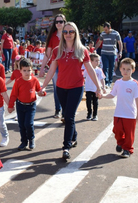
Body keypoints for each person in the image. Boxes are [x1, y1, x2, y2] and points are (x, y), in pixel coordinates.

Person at [41, 22, 102, 160]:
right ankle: (74, 136)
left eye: (71, 32)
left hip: (76, 87)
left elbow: (90, 70)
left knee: (69, 117)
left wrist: (99, 87)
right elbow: (51, 70)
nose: (68, 34)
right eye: (65, 32)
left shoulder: (82, 50)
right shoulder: (57, 50)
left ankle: (66, 147)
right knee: (67, 116)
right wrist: (43, 86)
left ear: (76, 33)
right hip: (61, 88)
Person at [102, 58, 138, 158]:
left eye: (128, 69)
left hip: (130, 114)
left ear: (133, 70)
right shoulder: (118, 82)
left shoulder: (134, 84)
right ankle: (120, 142)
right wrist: (103, 95)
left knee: (129, 134)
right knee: (117, 130)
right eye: (123, 69)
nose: (125, 71)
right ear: (120, 69)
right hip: (118, 113)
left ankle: (127, 150)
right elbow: (112, 94)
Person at [8, 58, 45, 150]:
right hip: (20, 105)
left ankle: (31, 139)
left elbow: (39, 90)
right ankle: (23, 141)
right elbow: (13, 95)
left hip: (31, 106)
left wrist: (42, 93)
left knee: (28, 124)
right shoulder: (18, 81)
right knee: (21, 124)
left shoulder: (34, 80)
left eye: (29, 70)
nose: (27, 72)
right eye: (24, 70)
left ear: (32, 70)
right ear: (20, 71)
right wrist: (10, 105)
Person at [39, 14, 66, 120]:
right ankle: (58, 110)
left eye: (61, 21)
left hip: (67, 66)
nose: (59, 23)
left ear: (64, 22)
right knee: (57, 88)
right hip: (55, 66)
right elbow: (47, 54)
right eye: (57, 22)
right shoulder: (53, 36)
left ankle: (65, 111)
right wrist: (42, 68)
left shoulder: (69, 34)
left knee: (66, 88)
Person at [95, 22, 123, 88]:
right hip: (104, 53)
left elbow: (120, 43)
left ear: (109, 28)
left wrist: (120, 52)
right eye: (104, 30)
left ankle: (110, 82)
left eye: (106, 30)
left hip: (112, 53)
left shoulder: (116, 33)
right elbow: (99, 42)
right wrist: (95, 49)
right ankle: (106, 82)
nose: (105, 31)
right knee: (105, 67)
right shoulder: (103, 34)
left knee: (111, 68)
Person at [84, 53, 106, 121]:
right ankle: (89, 114)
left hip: (96, 89)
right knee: (88, 101)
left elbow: (102, 79)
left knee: (95, 102)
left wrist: (103, 87)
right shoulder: (87, 69)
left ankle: (95, 115)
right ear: (91, 61)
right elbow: (83, 77)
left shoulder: (99, 70)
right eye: (96, 61)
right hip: (88, 88)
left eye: (98, 61)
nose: (98, 62)